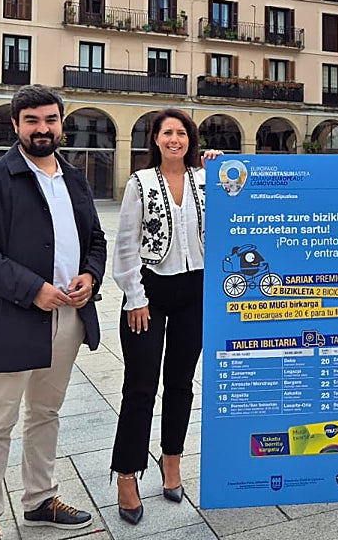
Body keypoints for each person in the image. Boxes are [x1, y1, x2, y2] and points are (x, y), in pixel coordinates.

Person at [0, 85, 106, 540]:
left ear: (62, 123)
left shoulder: (74, 179)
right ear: (16, 125)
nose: (43, 129)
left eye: (51, 120)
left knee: (46, 413)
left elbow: (94, 239)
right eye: (33, 121)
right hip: (13, 317)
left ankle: (40, 499)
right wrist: (31, 289)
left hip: (69, 317)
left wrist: (90, 276)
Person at [110, 109, 217, 524]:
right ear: (155, 139)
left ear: (190, 139)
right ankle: (126, 473)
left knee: (180, 384)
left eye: (181, 132)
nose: (175, 139)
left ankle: (171, 460)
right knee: (139, 388)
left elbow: (244, 195)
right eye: (167, 132)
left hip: (196, 291)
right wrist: (134, 297)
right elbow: (125, 243)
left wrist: (224, 166)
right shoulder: (141, 182)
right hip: (149, 291)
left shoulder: (206, 180)